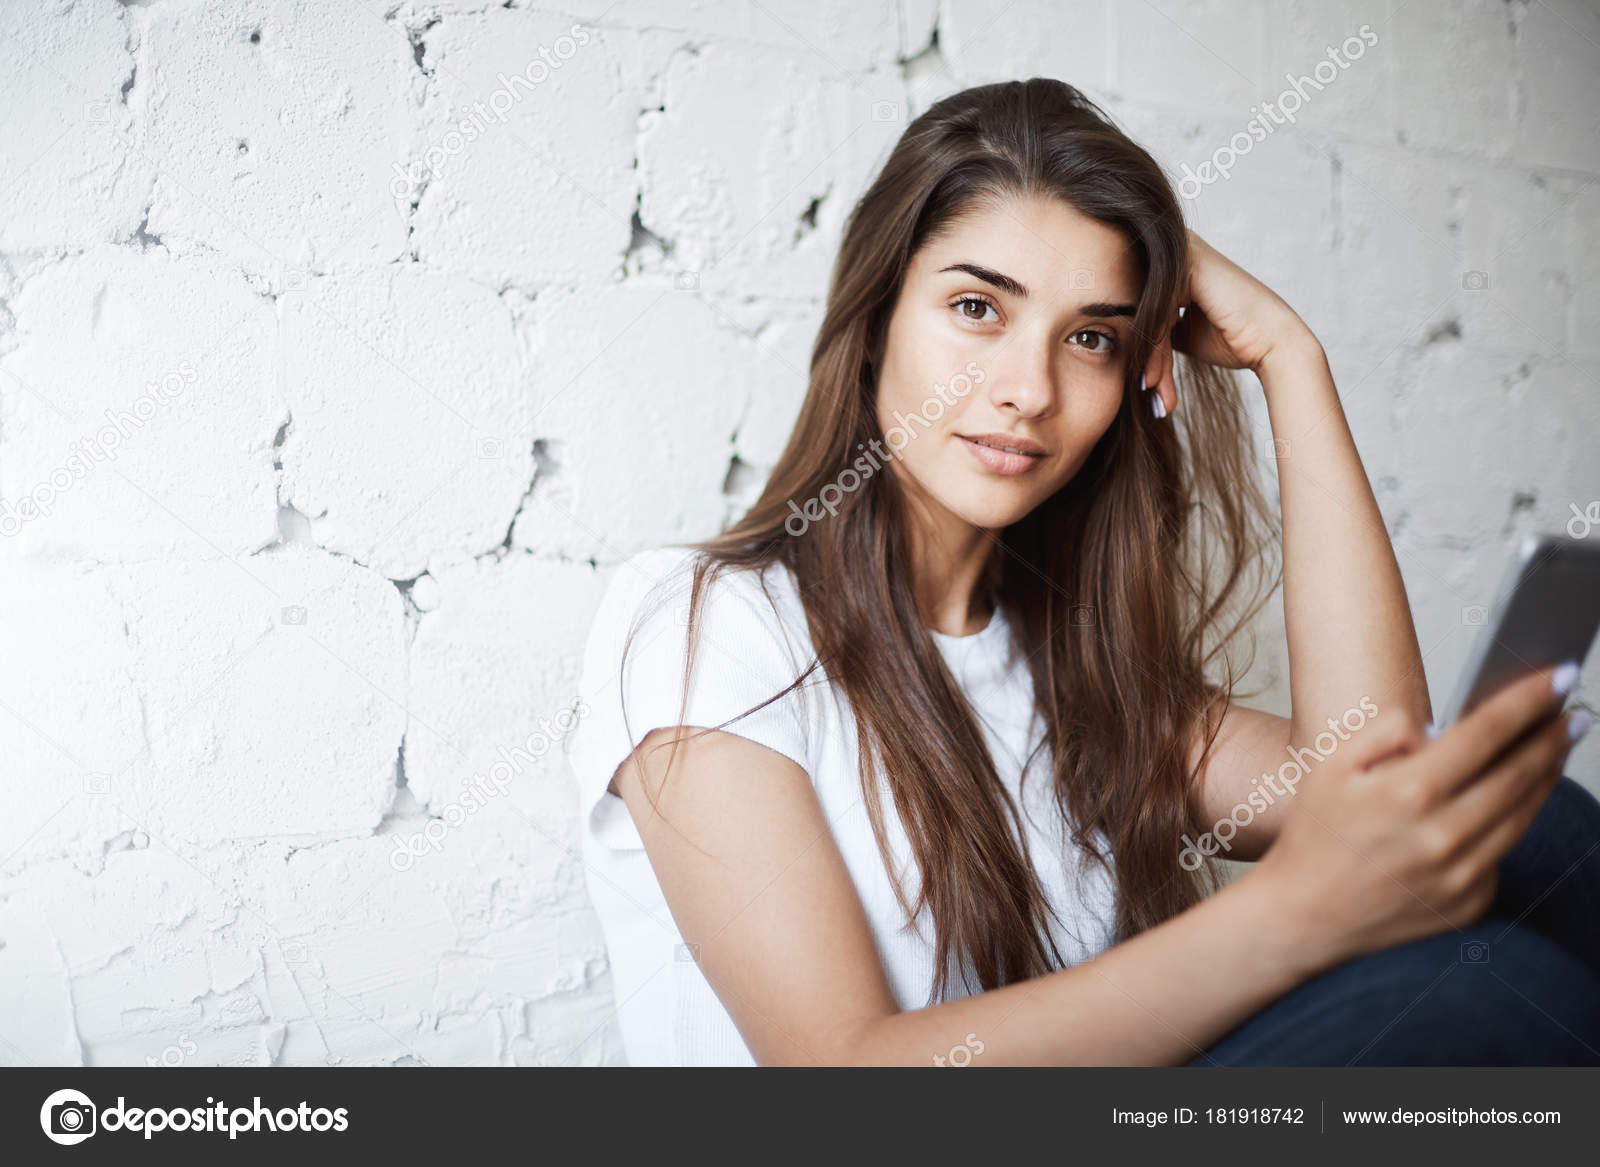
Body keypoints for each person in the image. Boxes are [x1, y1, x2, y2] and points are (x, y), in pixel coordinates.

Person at [566, 78, 1598, 1067]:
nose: (1028, 389)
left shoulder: (1071, 664)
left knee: (1540, 830)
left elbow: (1370, 781)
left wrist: (1288, 356)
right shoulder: (705, 623)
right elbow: (842, 1074)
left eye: (1092, 337)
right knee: (1496, 994)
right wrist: (1298, 912)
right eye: (977, 308)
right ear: (873, 322)